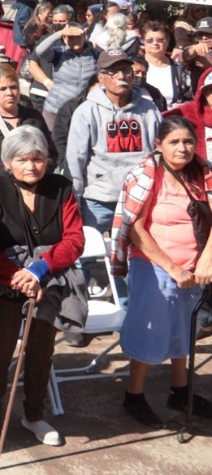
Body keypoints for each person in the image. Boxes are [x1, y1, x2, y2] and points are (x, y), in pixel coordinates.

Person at [0, 126, 83, 448]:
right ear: (8, 162)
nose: (31, 166)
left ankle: (33, 415)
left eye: (38, 159)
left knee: (40, 351)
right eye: (22, 159)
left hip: (50, 279)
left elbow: (74, 239)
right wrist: (16, 276)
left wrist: (39, 270)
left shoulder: (61, 188)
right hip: (6, 279)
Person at [116, 116, 212, 427]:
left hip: (194, 267)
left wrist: (205, 263)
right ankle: (134, 395)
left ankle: (180, 390)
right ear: (158, 145)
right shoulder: (146, 174)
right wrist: (172, 268)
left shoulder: (204, 173)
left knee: (184, 329)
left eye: (188, 141)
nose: (183, 148)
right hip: (153, 265)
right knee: (151, 330)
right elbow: (137, 229)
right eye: (174, 142)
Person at [67, 48, 161, 234]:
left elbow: (159, 152)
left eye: (126, 70)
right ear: (101, 78)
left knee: (136, 257)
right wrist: (74, 199)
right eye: (113, 71)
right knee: (88, 257)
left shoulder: (149, 109)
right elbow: (75, 158)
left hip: (140, 196)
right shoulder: (86, 111)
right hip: (98, 199)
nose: (121, 76)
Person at [30, 22, 98, 132]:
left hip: (81, 109)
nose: (75, 40)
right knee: (52, 145)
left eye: (77, 37)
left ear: (84, 37)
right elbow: (40, 50)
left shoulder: (94, 54)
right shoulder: (59, 52)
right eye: (71, 37)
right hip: (55, 108)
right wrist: (60, 33)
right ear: (65, 38)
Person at [141, 21, 191, 107]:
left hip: (172, 117)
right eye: (150, 40)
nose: (155, 43)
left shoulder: (178, 69)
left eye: (160, 40)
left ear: (167, 41)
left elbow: (187, 98)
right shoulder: (135, 67)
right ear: (143, 42)